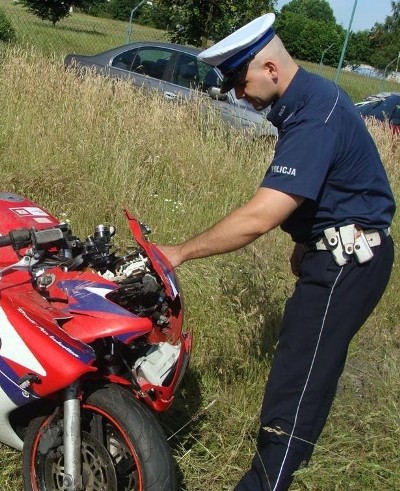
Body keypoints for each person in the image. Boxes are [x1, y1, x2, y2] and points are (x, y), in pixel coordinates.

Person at [157, 12, 395, 491]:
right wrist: (308, 240)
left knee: (296, 383)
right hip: (335, 251)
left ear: (269, 68)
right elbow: (330, 189)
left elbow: (259, 217)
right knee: (304, 366)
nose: (237, 94)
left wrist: (178, 252)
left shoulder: (313, 115)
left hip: (348, 262)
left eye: (240, 82)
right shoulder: (305, 101)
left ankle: (264, 483)